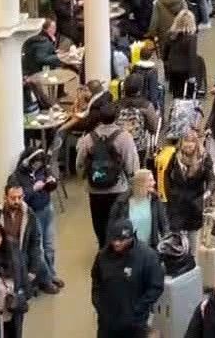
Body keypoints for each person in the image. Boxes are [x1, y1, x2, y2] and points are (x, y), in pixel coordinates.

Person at [76, 105, 141, 244]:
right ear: (116, 118)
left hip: (94, 188)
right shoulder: (125, 138)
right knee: (118, 220)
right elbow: (132, 165)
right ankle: (115, 245)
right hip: (117, 188)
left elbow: (79, 163)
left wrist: (85, 178)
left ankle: (102, 245)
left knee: (99, 220)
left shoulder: (88, 138)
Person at [91, 217, 165, 338]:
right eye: (114, 239)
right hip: (107, 322)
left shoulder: (147, 257)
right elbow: (96, 280)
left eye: (122, 240)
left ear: (131, 237)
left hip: (134, 324)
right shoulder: (102, 256)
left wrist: (137, 309)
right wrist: (98, 304)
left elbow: (155, 287)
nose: (117, 243)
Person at [0, 181, 52, 298]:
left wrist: (33, 270)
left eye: (20, 197)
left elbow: (35, 243)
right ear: (5, 198)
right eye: (13, 198)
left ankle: (44, 281)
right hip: (3, 260)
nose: (17, 201)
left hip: (22, 257)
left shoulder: (29, 215)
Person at [108, 168, 172, 248]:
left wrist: (168, 244)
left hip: (150, 248)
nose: (154, 183)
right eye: (150, 180)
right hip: (128, 249)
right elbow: (112, 226)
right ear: (140, 182)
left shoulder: (155, 200)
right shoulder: (122, 202)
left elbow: (164, 224)